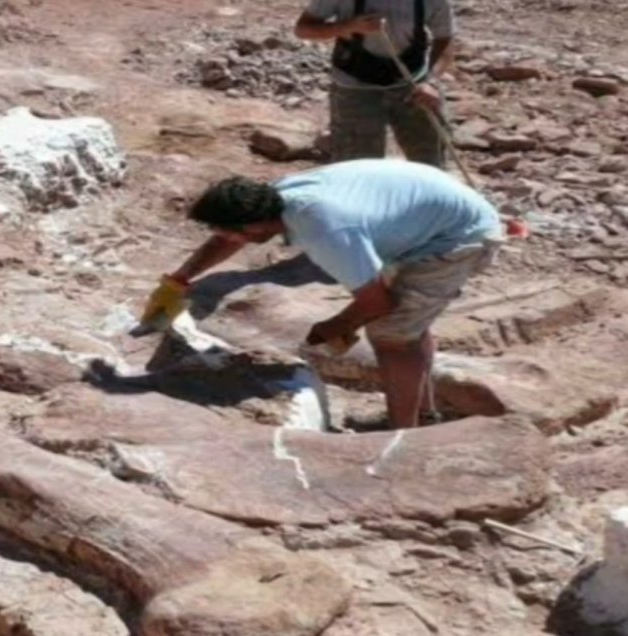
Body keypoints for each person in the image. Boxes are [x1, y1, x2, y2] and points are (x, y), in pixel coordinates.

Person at [139, 160, 503, 429]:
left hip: (457, 237)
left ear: (254, 225)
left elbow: (378, 302)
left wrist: (330, 327)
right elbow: (223, 239)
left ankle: (403, 434)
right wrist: (180, 279)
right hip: (422, 218)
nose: (229, 241)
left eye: (235, 234)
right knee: (408, 324)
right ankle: (420, 414)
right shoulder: (273, 199)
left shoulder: (325, 231)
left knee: (392, 336)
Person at [294, 0, 454, 166]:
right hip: (355, 87)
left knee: (429, 161)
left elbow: (445, 39)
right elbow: (303, 29)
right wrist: (347, 27)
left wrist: (431, 82)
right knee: (357, 166)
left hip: (413, 84)